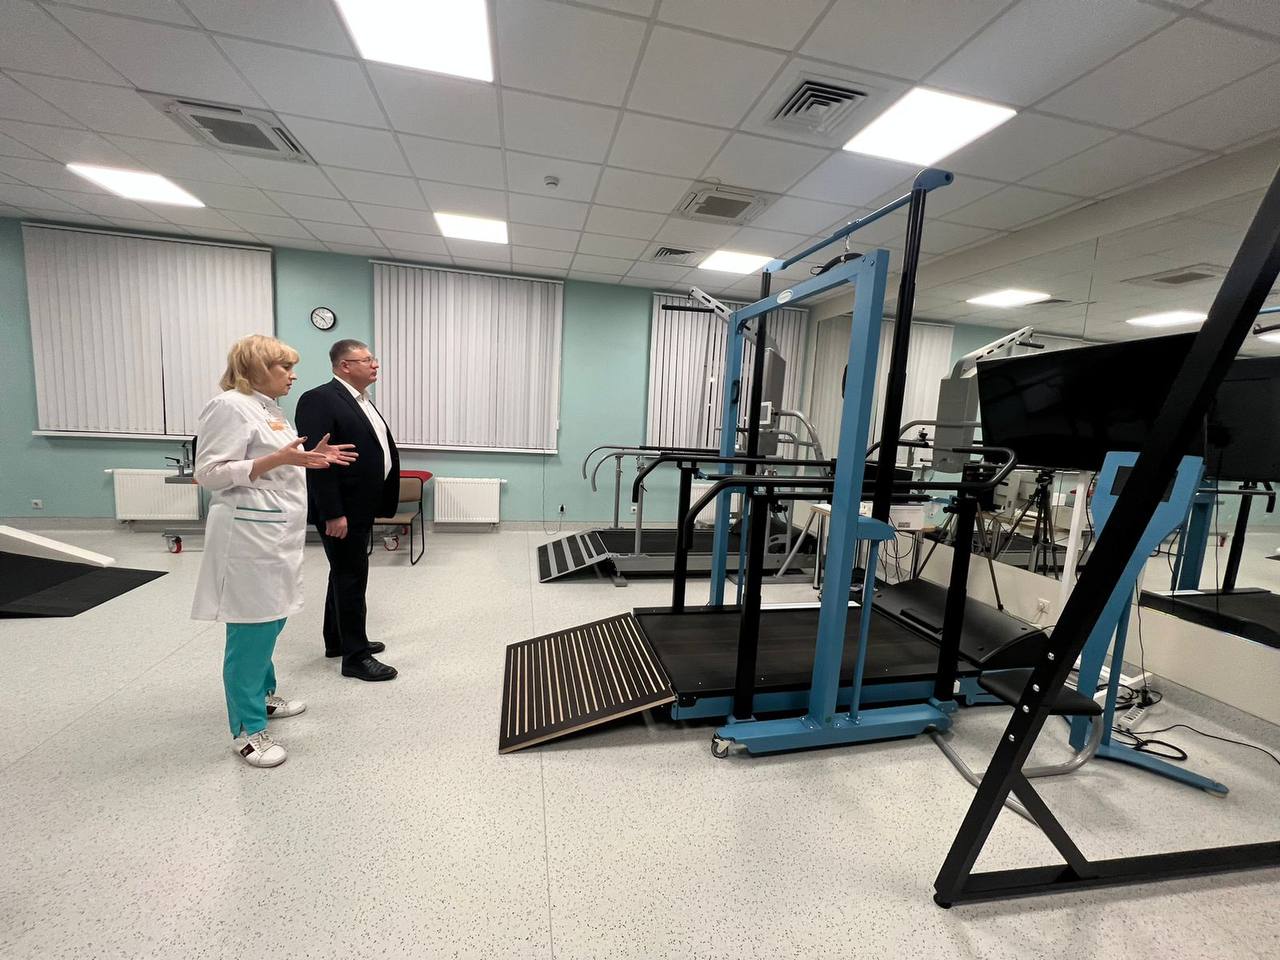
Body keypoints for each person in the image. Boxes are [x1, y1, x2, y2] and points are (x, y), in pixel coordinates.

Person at [192, 334, 357, 768]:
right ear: (255, 368)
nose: (293, 375)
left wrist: (309, 457)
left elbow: (279, 461)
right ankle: (247, 731)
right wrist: (279, 460)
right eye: (284, 367)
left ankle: (263, 696)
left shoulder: (268, 409)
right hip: (246, 538)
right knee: (251, 630)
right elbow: (208, 474)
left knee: (273, 619)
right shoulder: (229, 406)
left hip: (275, 534)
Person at [295, 339, 400, 682]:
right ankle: (355, 658)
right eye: (367, 360)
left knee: (343, 572)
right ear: (345, 366)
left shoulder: (360, 399)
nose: (375, 364)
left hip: (360, 504)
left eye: (373, 359)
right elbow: (317, 461)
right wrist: (332, 513)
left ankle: (338, 640)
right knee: (351, 577)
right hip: (342, 509)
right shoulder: (319, 399)